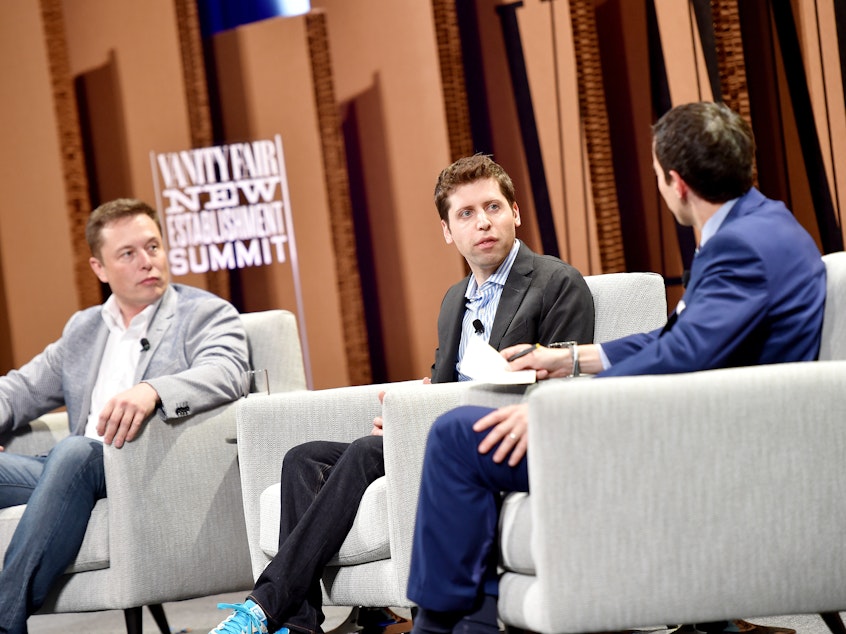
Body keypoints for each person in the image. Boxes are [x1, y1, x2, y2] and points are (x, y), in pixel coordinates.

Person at [405, 102, 826, 634]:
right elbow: (681, 337)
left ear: (675, 182)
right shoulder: (768, 224)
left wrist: (565, 409)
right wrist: (573, 358)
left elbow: (683, 355)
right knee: (462, 432)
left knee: (455, 437)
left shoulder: (740, 247)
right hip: (711, 423)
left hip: (705, 447)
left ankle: (443, 627)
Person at [209, 154, 596, 634]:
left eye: (493, 207)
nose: (483, 223)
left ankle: (263, 607)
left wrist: (417, 420)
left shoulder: (558, 283)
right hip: (438, 433)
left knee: (368, 452)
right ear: (447, 232)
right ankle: (301, 624)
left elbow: (565, 387)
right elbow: (442, 382)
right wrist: (406, 414)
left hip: (499, 438)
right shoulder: (456, 298)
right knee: (302, 459)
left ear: (515, 212)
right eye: (466, 214)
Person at [0, 198, 250, 633]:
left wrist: (153, 390)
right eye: (128, 254)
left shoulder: (203, 313)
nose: (147, 262)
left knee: (77, 450)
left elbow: (227, 372)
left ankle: (5, 621)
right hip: (69, 471)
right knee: (71, 457)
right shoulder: (85, 328)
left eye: (152, 247)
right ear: (100, 268)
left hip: (138, 466)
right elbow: (20, 389)